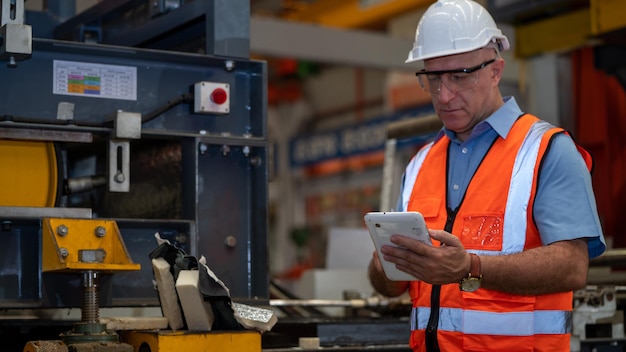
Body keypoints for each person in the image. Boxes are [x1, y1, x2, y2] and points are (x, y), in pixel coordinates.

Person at [367, 0, 606, 351]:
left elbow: (572, 267)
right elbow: (394, 287)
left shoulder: (546, 151)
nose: (444, 95)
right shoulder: (419, 165)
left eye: (459, 77)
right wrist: (384, 267)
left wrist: (470, 267)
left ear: (496, 71)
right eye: (433, 79)